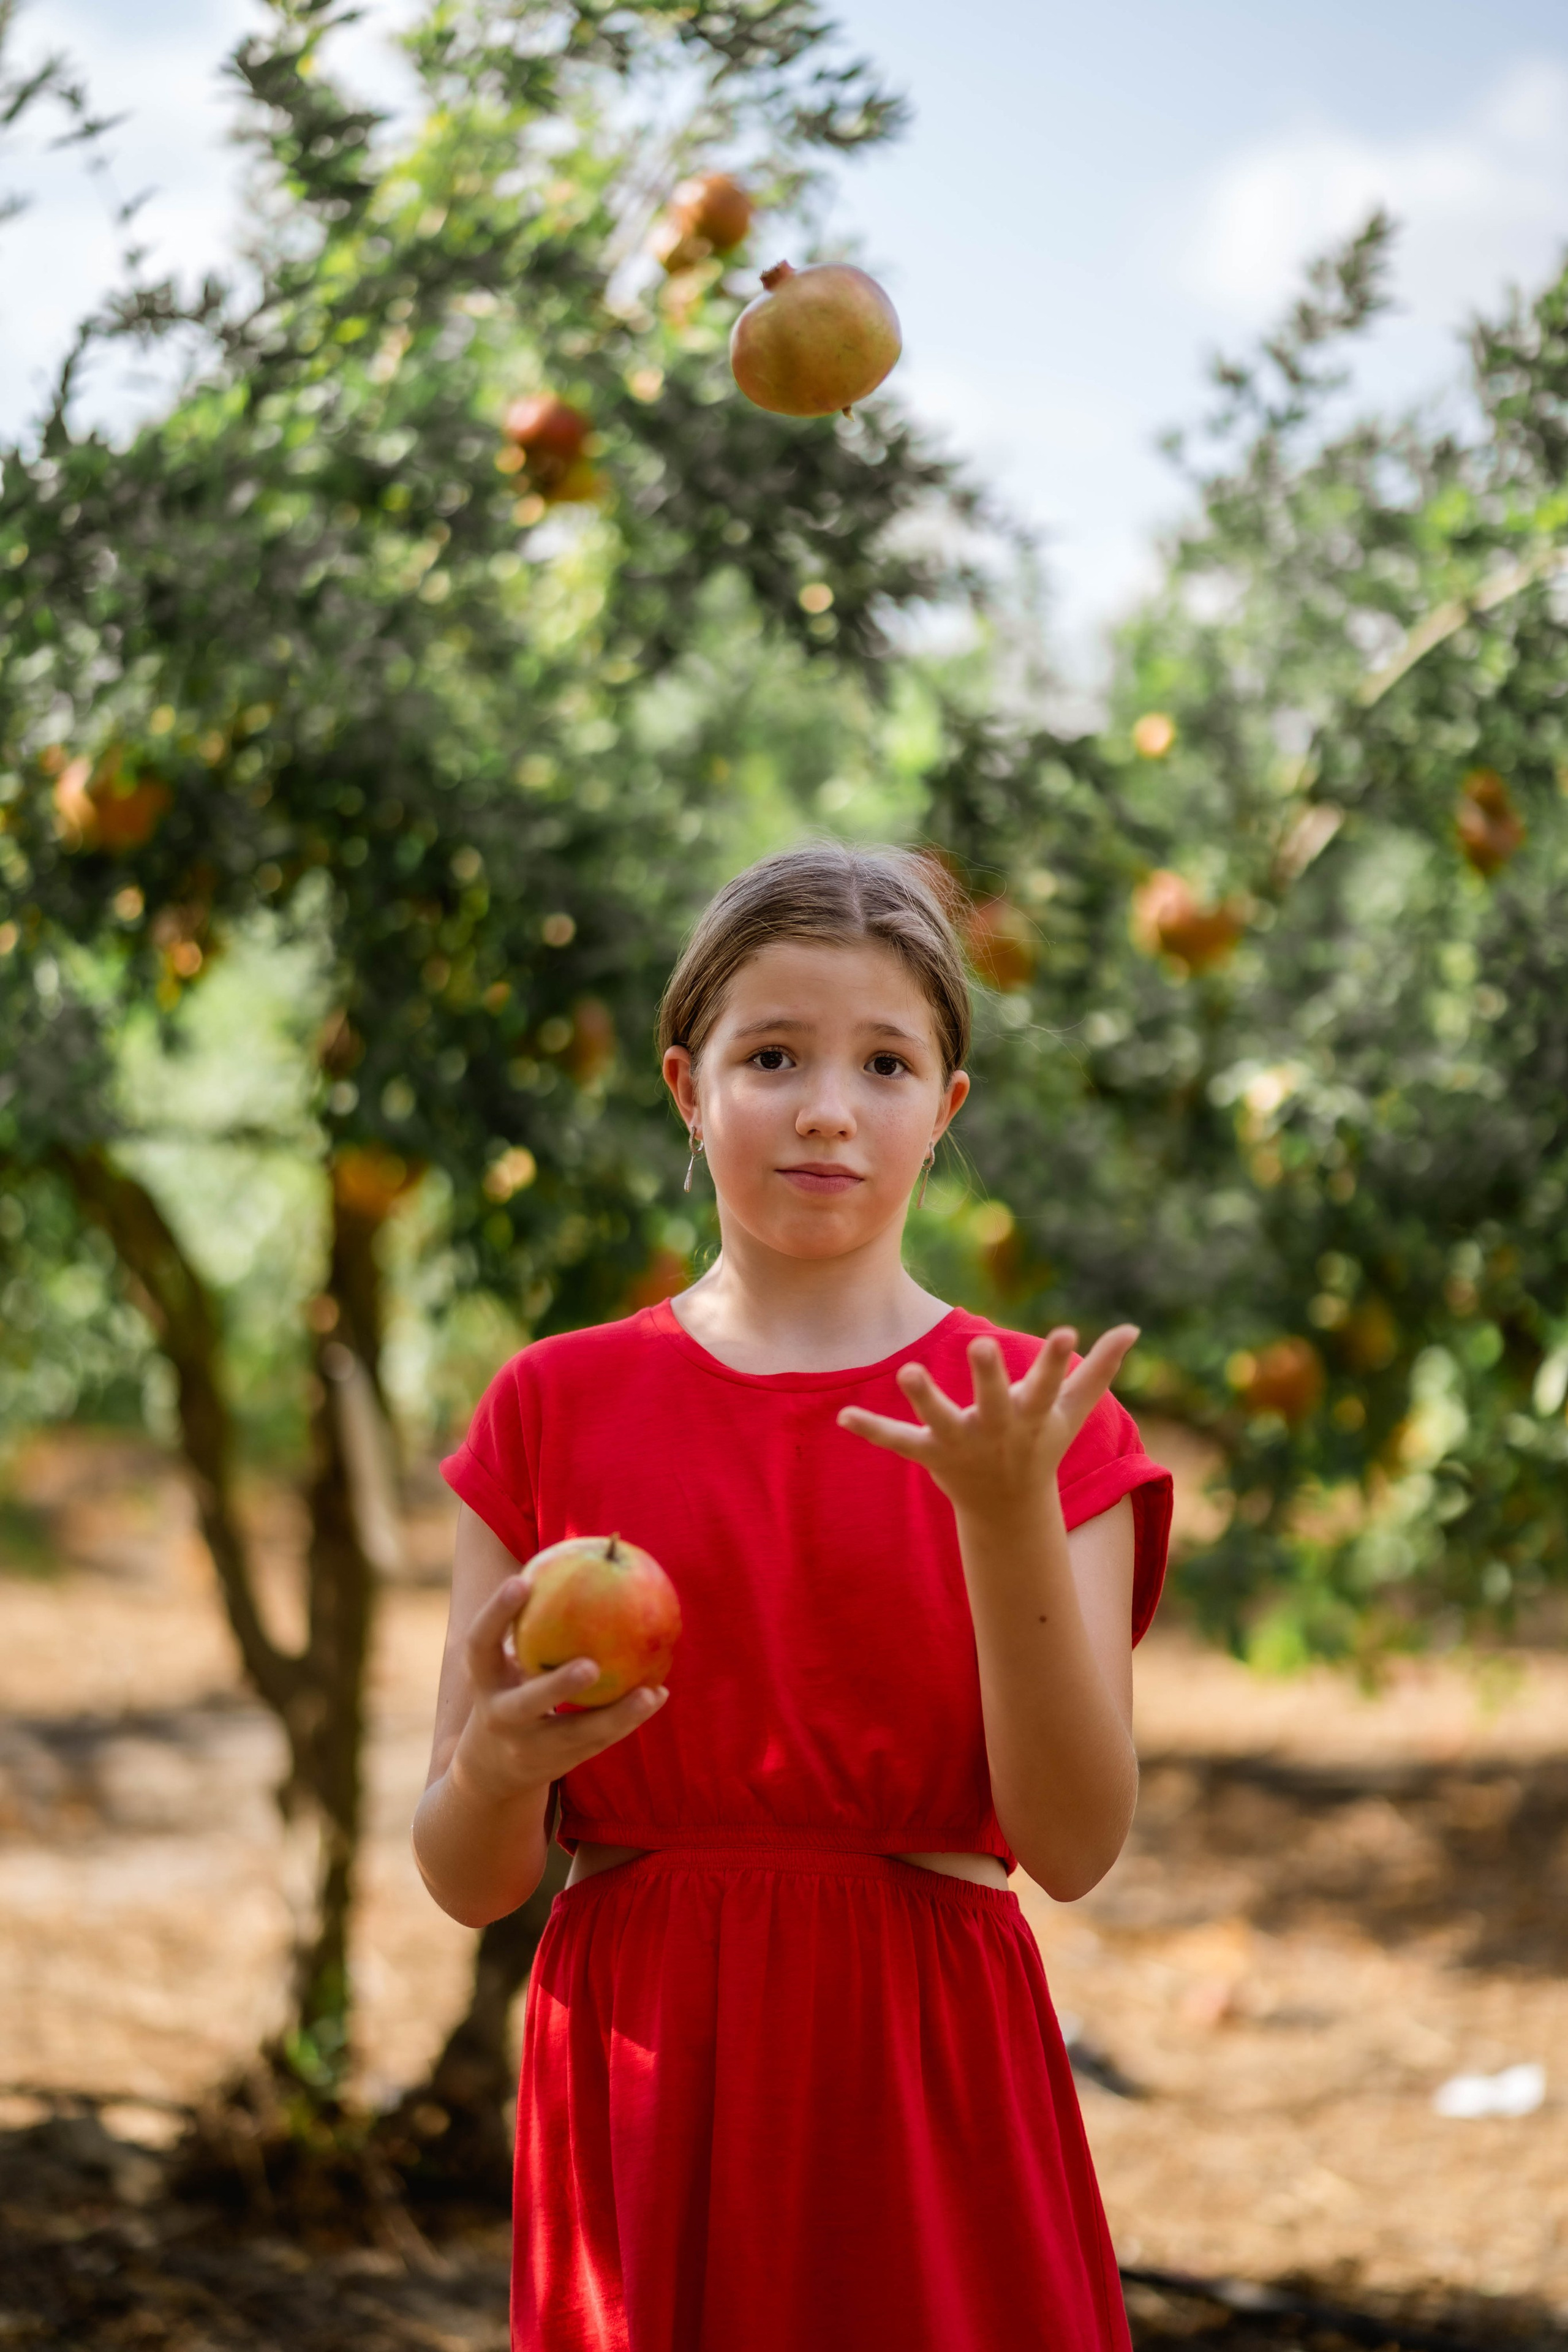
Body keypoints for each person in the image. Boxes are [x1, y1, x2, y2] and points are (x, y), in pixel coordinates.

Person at [413, 842, 1172, 2352]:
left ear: (942, 1110)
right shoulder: (552, 1407)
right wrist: (501, 1764)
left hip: (921, 2072)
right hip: (646, 2065)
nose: (828, 1106)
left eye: (883, 1062)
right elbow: (464, 1875)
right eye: (773, 1055)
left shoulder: (1034, 1418)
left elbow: (1073, 1846)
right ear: (689, 1087)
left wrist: (1005, 1517)